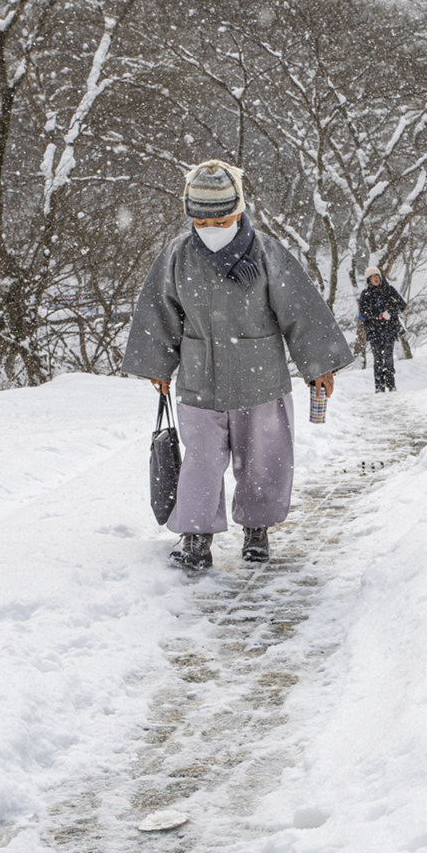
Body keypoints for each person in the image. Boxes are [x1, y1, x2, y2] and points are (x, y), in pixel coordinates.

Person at [123, 160, 353, 570]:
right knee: (201, 461)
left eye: (222, 218)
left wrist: (319, 365)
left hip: (261, 377)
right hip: (199, 379)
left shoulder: (265, 252)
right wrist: (158, 365)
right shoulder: (177, 255)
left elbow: (299, 309)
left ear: (239, 210)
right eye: (201, 220)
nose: (211, 227)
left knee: (264, 458)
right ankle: (195, 536)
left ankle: (257, 529)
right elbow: (160, 312)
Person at [356, 265, 406, 392]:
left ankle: (391, 385)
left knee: (388, 358)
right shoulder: (366, 295)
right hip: (374, 331)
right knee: (378, 359)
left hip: (389, 329)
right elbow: (363, 314)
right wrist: (378, 316)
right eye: (372, 277)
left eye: (377, 276)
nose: (375, 279)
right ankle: (379, 386)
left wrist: (390, 312)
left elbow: (402, 305)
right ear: (368, 280)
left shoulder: (389, 290)